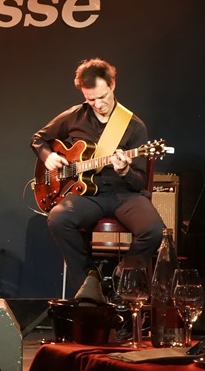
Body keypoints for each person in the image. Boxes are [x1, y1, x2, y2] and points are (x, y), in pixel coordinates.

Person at [30, 57, 164, 295]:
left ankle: (124, 278)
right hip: (87, 195)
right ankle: (88, 284)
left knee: (154, 231)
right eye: (91, 99)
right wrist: (47, 156)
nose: (98, 104)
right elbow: (38, 139)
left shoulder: (134, 126)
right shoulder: (74, 116)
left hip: (125, 195)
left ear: (112, 85)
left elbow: (140, 182)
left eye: (102, 97)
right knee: (58, 219)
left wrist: (125, 170)